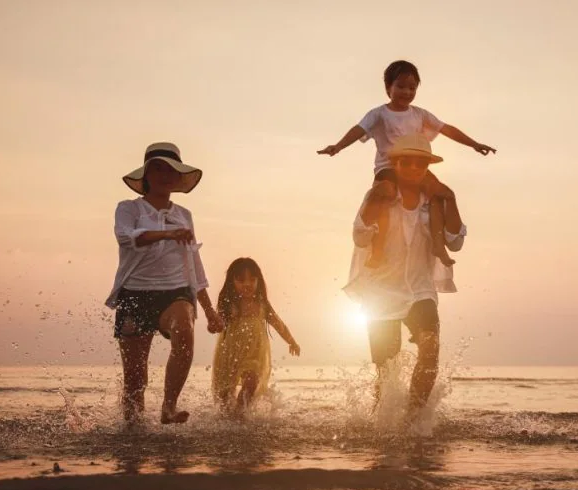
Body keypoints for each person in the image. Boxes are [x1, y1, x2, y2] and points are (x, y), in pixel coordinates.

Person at [318, 59, 492, 268]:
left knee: (438, 193)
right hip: (388, 168)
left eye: (412, 87)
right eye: (400, 86)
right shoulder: (379, 113)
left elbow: (447, 129)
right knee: (387, 194)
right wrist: (337, 146)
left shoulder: (420, 114)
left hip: (416, 166)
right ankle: (379, 248)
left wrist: (474, 144)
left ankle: (438, 243)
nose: (406, 92)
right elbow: (358, 130)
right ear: (388, 87)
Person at [343, 134, 467, 418]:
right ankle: (381, 424)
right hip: (381, 293)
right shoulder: (381, 195)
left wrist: (451, 198)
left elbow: (455, 242)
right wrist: (374, 198)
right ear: (395, 164)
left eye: (420, 164)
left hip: (420, 290)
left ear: (427, 167)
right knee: (386, 371)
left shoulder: (436, 200)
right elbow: (360, 238)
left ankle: (414, 419)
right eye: (406, 162)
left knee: (431, 349)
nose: (413, 168)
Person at [105, 142, 224, 425]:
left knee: (184, 328)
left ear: (179, 177)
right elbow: (128, 237)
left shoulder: (184, 215)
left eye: (172, 169)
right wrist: (168, 235)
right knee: (135, 379)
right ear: (145, 175)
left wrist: (208, 310)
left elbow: (195, 265)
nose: (165, 174)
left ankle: (169, 407)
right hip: (134, 293)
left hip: (176, 291)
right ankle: (132, 434)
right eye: (157, 168)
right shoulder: (128, 208)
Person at [211, 257, 300, 414]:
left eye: (252, 280)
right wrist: (213, 325)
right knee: (225, 394)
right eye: (241, 280)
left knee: (251, 382)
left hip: (254, 355)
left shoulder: (261, 304)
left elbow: (278, 324)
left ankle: (240, 413)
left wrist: (291, 341)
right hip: (230, 353)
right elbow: (217, 323)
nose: (247, 284)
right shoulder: (229, 303)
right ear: (232, 282)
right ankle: (227, 419)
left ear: (259, 281)